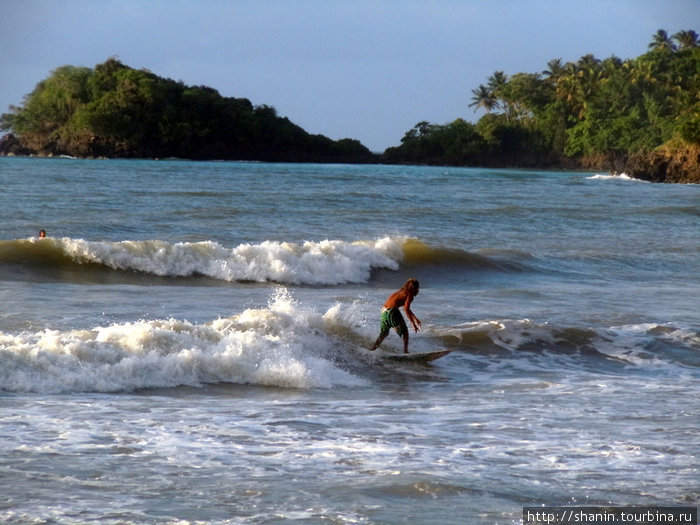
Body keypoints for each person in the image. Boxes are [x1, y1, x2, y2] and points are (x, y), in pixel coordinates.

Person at [369, 278, 421, 353]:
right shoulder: (409, 295)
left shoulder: (401, 292)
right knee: (405, 332)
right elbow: (406, 309)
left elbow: (407, 308)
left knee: (384, 333)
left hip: (384, 312)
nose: (417, 290)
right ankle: (406, 351)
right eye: (417, 288)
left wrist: (416, 319)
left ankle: (373, 348)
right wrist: (413, 323)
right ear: (414, 288)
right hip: (392, 311)